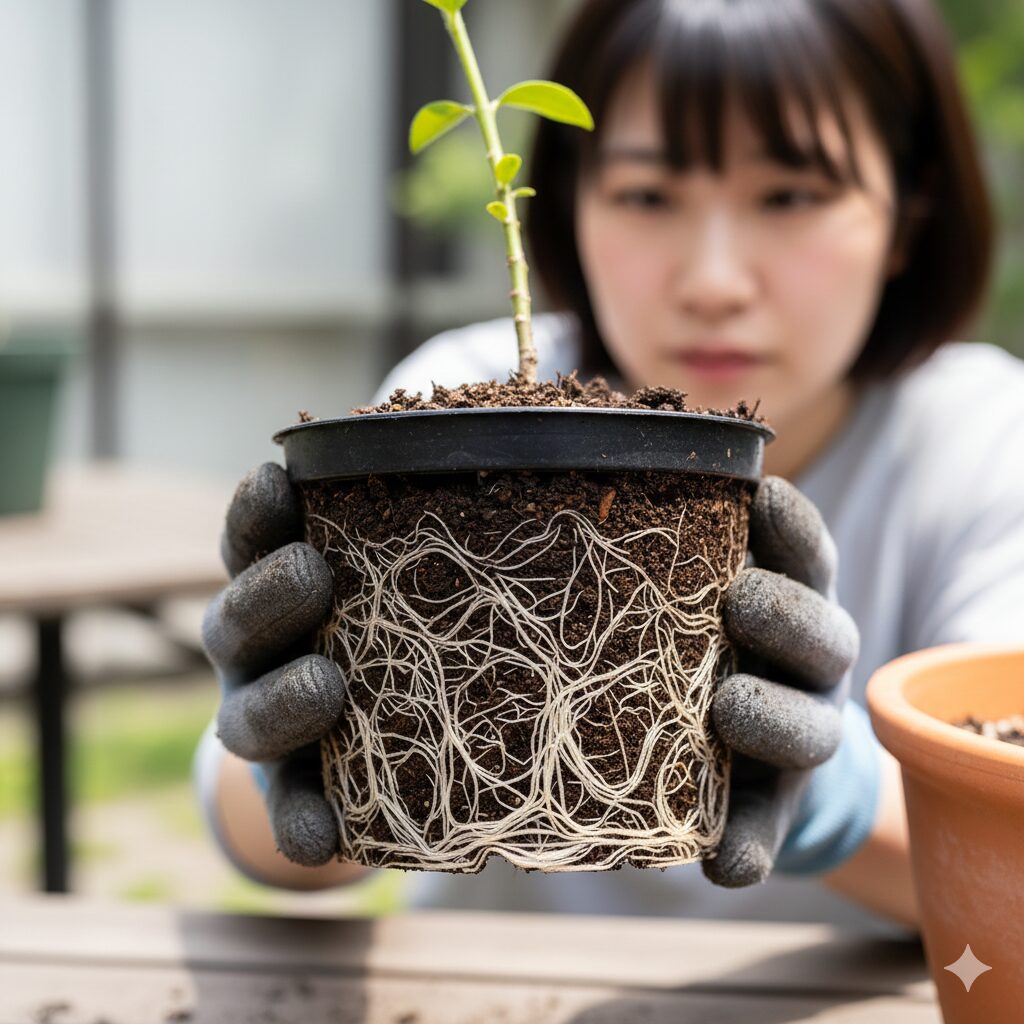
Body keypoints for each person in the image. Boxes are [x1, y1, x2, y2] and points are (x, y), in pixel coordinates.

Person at [195, 0, 1024, 937]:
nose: (714, 281)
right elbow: (261, 839)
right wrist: (287, 758)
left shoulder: (985, 444)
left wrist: (833, 796)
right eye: (646, 195)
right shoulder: (459, 405)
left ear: (908, 215)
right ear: (570, 201)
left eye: (790, 195)